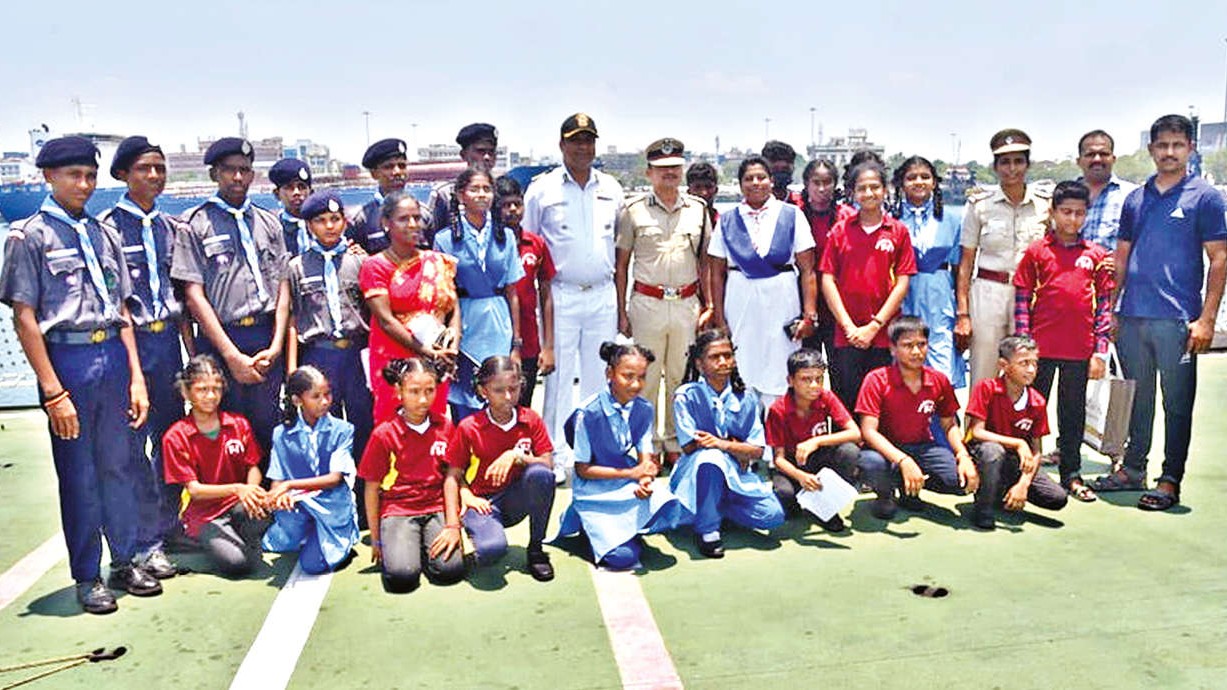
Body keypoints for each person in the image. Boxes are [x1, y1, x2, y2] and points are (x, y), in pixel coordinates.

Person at [0, 135, 158, 613]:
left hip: (112, 356)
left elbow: (122, 311)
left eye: (90, 175)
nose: (84, 184)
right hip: (67, 363)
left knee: (121, 466)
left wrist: (135, 377)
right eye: (74, 175)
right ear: (49, 177)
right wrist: (52, 392)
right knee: (80, 476)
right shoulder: (28, 237)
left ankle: (126, 559)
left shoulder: (104, 234)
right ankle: (88, 575)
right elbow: (24, 317)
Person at [1090, 114, 1227, 511]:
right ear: (1150, 150)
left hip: (1177, 320)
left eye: (1177, 145)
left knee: (1177, 403)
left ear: (1190, 149)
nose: (1169, 152)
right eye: (1162, 145)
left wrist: (1205, 319)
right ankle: (1133, 469)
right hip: (1132, 316)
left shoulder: (1205, 197)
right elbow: (1122, 256)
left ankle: (1170, 480)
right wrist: (1112, 310)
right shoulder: (1136, 199)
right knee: (1138, 398)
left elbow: (1219, 260)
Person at [99, 135, 187, 580]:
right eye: (143, 169)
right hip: (130, 347)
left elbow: (186, 296)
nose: (154, 176)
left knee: (171, 441)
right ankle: (141, 542)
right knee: (133, 447)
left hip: (168, 341)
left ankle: (168, 527)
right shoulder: (107, 228)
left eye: (159, 168)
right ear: (123, 175)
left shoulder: (173, 228)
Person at [172, 137, 290, 460]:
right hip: (223, 339)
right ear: (214, 174)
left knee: (267, 428)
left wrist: (277, 345)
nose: (238, 178)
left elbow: (282, 288)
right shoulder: (194, 224)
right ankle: (231, 506)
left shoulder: (268, 222)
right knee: (226, 433)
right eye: (229, 171)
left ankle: (267, 504)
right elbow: (194, 295)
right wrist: (232, 356)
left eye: (245, 171)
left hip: (266, 338)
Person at [522, 113, 624, 481]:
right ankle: (557, 454)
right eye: (575, 140)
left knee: (601, 375)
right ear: (561, 145)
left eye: (589, 140)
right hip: (560, 295)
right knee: (559, 378)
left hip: (602, 293)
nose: (583, 147)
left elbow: (619, 246)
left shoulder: (612, 188)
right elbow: (529, 245)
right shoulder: (542, 189)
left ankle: (593, 450)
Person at [615, 137, 713, 463]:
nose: (669, 174)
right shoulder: (633, 211)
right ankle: (646, 447)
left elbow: (706, 262)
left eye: (674, 168)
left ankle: (673, 442)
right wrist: (621, 311)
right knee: (644, 379)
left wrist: (709, 304)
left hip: (686, 303)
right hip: (647, 303)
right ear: (649, 173)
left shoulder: (698, 210)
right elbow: (621, 264)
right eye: (661, 169)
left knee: (680, 377)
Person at [1013, 180, 1112, 501]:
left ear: (1087, 214)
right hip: (1038, 351)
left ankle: (1071, 473)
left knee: (1072, 413)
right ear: (1053, 212)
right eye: (1066, 212)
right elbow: (1022, 300)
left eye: (1079, 213)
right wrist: (1023, 347)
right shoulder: (1037, 252)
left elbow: (1104, 309)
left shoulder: (1096, 256)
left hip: (1078, 351)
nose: (1072, 219)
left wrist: (1099, 352)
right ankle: (1024, 470)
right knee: (1030, 410)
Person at [555, 342, 686, 570]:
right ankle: (590, 527)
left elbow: (645, 455)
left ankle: (621, 529)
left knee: (671, 508)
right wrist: (633, 472)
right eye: (628, 376)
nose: (636, 384)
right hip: (594, 488)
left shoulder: (643, 408)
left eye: (642, 377)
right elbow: (582, 469)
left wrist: (645, 478)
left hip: (625, 481)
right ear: (609, 373)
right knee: (623, 558)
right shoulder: (588, 414)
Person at [707, 156, 818, 410]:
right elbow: (716, 272)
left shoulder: (792, 215)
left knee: (780, 364)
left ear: (770, 180)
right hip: (740, 298)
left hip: (782, 299)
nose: (755, 183)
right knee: (742, 362)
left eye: (761, 177)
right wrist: (720, 319)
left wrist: (809, 314)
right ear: (740, 184)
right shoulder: (727, 219)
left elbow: (808, 270)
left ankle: (777, 439)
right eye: (748, 179)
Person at [669, 329, 785, 558]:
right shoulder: (686, 396)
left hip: (736, 473)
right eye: (715, 357)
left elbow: (758, 450)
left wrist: (723, 445)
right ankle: (708, 530)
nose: (723, 361)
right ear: (700, 364)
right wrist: (736, 448)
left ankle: (714, 506)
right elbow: (691, 446)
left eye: (728, 355)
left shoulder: (748, 397)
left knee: (773, 516)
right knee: (709, 459)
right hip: (698, 472)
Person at [856, 317, 980, 521]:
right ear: (893, 349)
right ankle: (885, 495)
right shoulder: (876, 380)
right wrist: (903, 460)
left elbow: (949, 424)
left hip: (922, 447)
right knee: (871, 464)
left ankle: (911, 488)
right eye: (907, 345)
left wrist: (963, 456)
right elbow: (868, 431)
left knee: (960, 481)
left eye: (921, 344)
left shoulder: (938, 380)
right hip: (884, 450)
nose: (916, 351)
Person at [956, 129, 1051, 386]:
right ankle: (976, 427)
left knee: (1025, 372)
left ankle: (1019, 426)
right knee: (983, 374)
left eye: (1018, 161)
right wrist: (963, 314)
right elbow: (966, 264)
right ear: (995, 167)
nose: (1012, 169)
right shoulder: (980, 205)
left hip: (1030, 297)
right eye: (1005, 162)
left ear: (1028, 164)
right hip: (989, 293)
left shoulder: (1045, 205)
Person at [820, 159, 917, 410]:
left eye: (875, 187)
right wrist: (849, 326)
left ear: (885, 190)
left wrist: (874, 326)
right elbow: (827, 279)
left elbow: (903, 281)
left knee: (883, 400)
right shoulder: (840, 231)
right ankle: (848, 448)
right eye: (862, 188)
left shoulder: (897, 231)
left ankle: (881, 449)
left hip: (884, 333)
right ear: (852, 192)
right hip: (846, 334)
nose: (869, 193)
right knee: (847, 397)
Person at [359, 358, 464, 592]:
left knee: (450, 571)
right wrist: (376, 539)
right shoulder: (384, 434)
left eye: (430, 391)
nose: (423, 399)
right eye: (414, 392)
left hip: (436, 506)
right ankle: (406, 546)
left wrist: (452, 525)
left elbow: (452, 476)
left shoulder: (445, 426)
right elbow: (372, 488)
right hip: (399, 509)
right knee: (402, 577)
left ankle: (421, 544)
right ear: (399, 391)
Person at [162, 355, 271, 577]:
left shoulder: (238, 423)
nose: (211, 396)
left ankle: (237, 535)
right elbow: (195, 490)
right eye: (202, 390)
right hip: (206, 514)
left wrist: (251, 491)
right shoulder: (176, 436)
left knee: (267, 513)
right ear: (185, 392)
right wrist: (239, 489)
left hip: (238, 504)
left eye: (216, 389)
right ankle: (198, 540)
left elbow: (253, 466)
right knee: (237, 566)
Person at [450, 356, 557, 580]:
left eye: (514, 388)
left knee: (541, 475)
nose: (508, 396)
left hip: (515, 499)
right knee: (491, 551)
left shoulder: (531, 419)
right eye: (499, 390)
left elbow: (548, 463)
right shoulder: (469, 427)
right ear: (483, 391)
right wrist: (466, 494)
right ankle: (481, 534)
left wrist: (517, 456)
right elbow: (453, 473)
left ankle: (536, 550)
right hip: (483, 503)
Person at [359, 192, 459, 423]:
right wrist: (426, 351)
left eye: (417, 217)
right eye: (404, 219)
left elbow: (453, 307)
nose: (413, 224)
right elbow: (386, 320)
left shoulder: (436, 261)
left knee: (433, 421)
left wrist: (452, 345)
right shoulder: (375, 266)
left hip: (436, 358)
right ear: (386, 223)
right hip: (394, 357)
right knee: (393, 425)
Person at [433, 168, 524, 421]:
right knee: (465, 398)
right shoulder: (445, 239)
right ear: (461, 195)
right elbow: (443, 295)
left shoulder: (505, 236)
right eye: (475, 189)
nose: (482, 195)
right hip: (464, 323)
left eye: (487, 189)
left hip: (498, 323)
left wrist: (516, 343)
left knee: (499, 393)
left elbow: (512, 291)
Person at [261, 366, 360, 574]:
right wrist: (279, 496)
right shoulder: (281, 434)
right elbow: (277, 480)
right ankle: (307, 533)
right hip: (300, 504)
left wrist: (290, 485)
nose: (325, 401)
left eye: (327, 394)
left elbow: (334, 479)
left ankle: (338, 536)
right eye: (316, 396)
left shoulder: (343, 430)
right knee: (285, 530)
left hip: (330, 506)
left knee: (313, 565)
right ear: (297, 400)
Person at [965, 336, 1068, 530]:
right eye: (1023, 363)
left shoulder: (1037, 402)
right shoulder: (987, 388)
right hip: (984, 454)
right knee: (993, 451)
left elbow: (1037, 451)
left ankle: (1006, 490)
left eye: (1034, 363)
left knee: (1057, 498)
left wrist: (1024, 484)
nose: (1031, 370)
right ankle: (984, 507)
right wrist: (1018, 443)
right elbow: (977, 432)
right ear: (1004, 365)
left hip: (1014, 462)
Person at [765, 348, 861, 532]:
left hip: (820, 459)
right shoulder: (778, 409)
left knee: (849, 451)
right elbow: (779, 459)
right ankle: (803, 499)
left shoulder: (826, 397)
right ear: (790, 381)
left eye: (819, 379)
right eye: (806, 379)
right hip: (793, 466)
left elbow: (855, 433)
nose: (814, 385)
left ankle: (826, 507)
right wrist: (800, 477)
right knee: (786, 501)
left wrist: (816, 442)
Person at [893, 155, 966, 389]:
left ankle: (942, 422)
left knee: (939, 360)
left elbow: (960, 268)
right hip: (903, 292)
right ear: (901, 183)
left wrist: (963, 312)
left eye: (925, 177)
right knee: (903, 355)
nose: (918, 182)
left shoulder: (952, 218)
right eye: (911, 177)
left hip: (939, 293)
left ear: (935, 182)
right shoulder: (891, 218)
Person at [498, 175, 556, 408]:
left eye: (517, 203)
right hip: (496, 335)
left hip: (529, 340)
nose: (512, 210)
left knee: (522, 404)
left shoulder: (536, 244)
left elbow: (546, 294)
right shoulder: (489, 245)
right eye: (505, 204)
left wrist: (548, 346)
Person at [799, 159, 854, 368]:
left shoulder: (848, 217)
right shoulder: (795, 215)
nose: (822, 188)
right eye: (816, 182)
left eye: (827, 182)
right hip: (804, 303)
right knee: (806, 367)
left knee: (841, 371)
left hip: (838, 303)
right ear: (806, 184)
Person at [425, 122, 499, 245]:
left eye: (491, 152)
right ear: (463, 155)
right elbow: (432, 237)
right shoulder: (445, 194)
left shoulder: (502, 190)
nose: (487, 157)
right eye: (480, 151)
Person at [1076, 129, 1138, 251]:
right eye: (1090, 154)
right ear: (1079, 161)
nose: (1097, 159)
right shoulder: (1063, 195)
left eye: (1104, 154)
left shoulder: (1133, 195)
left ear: (1113, 159)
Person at [347, 138, 410, 253]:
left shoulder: (424, 214)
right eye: (389, 167)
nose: (397, 172)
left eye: (402, 166)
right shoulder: (362, 219)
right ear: (374, 174)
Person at [268, 158, 313, 255]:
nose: (296, 192)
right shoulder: (273, 230)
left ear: (311, 192)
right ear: (277, 194)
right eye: (289, 187)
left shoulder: (325, 226)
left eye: (302, 187)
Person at [760, 140, 803, 205]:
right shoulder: (753, 205)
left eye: (785, 169)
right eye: (775, 169)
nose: (781, 174)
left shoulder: (802, 205)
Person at [685, 161, 720, 229]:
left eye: (708, 187)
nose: (704, 193)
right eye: (697, 187)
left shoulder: (723, 224)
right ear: (689, 192)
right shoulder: (680, 224)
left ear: (716, 190)